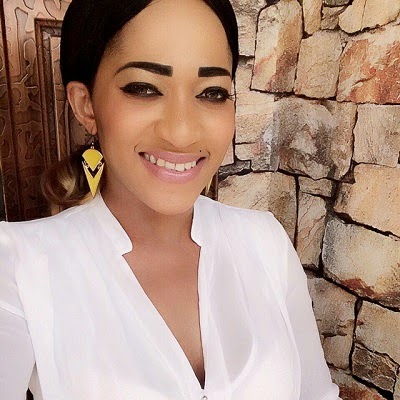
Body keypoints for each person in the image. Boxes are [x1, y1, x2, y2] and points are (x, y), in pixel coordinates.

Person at [0, 0, 342, 399]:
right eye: (144, 89)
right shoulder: (19, 265)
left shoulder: (265, 242)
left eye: (212, 93)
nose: (181, 133)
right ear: (86, 105)